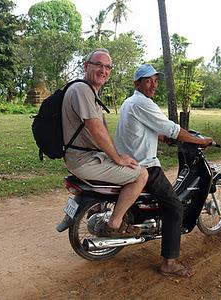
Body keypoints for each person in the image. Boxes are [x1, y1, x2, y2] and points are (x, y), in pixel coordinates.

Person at [114, 64, 212, 277]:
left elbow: (143, 128)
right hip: (144, 165)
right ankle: (169, 263)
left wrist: (163, 138)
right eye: (148, 80)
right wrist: (200, 141)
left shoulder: (129, 102)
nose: (153, 84)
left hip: (126, 161)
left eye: (155, 80)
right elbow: (172, 128)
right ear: (137, 83)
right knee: (175, 206)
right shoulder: (143, 103)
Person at [62, 49, 148, 237]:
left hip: (81, 156)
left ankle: (95, 208)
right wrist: (117, 158)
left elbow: (96, 133)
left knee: (126, 165)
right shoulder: (83, 89)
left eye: (107, 67)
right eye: (98, 65)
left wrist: (116, 154)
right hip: (84, 160)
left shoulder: (83, 89)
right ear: (86, 66)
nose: (104, 70)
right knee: (141, 174)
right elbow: (96, 130)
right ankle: (115, 223)